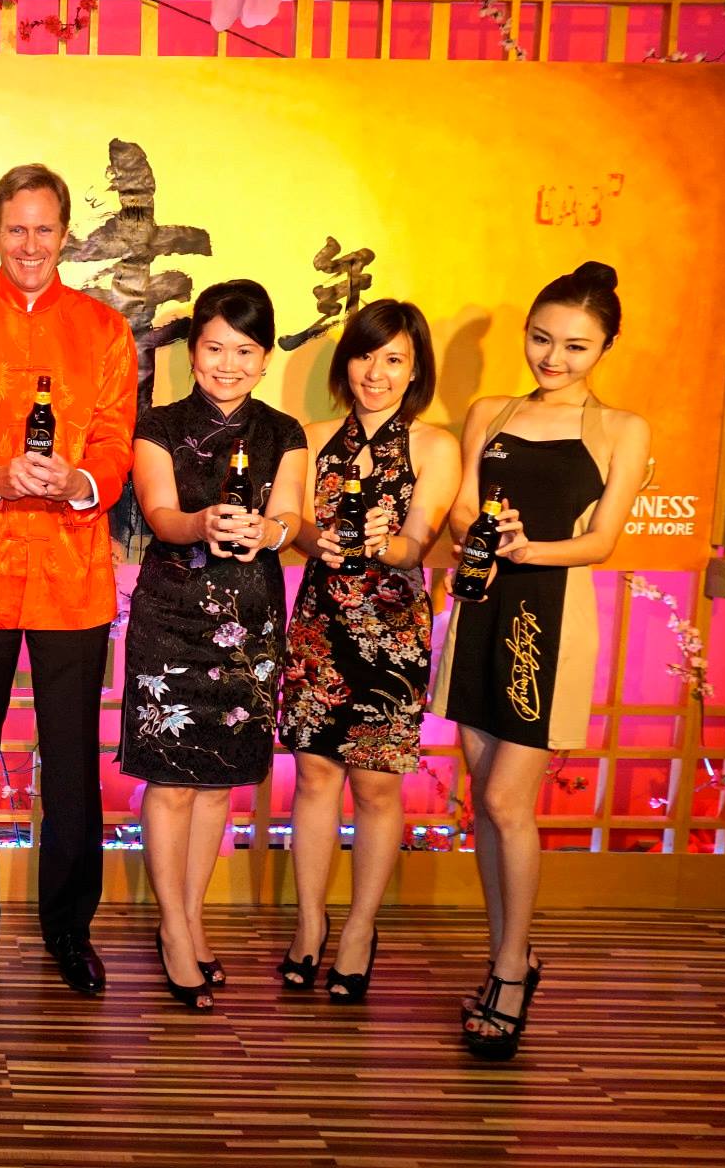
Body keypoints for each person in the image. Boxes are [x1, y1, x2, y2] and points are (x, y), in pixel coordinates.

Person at [0, 163, 135, 996]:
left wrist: (80, 481)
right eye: (16, 228)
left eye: (45, 229)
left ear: (65, 235)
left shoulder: (105, 331)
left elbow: (115, 442)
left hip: (71, 574)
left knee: (73, 765)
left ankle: (68, 930)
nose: (30, 244)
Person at [436, 260, 649, 1060]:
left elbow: (603, 540)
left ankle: (511, 974)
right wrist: (474, 538)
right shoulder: (490, 411)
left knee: (506, 800)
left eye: (575, 346)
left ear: (606, 348)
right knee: (484, 803)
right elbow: (463, 504)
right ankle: (509, 954)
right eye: (541, 339)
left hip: (547, 621)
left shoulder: (621, 428)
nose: (553, 358)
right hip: (479, 612)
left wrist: (529, 549)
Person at [121, 278, 306, 1013]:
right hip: (171, 619)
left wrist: (272, 531)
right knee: (170, 784)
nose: (228, 365)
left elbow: (291, 517)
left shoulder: (285, 432)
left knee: (215, 785)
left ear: (265, 358)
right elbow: (160, 515)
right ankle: (174, 929)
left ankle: (193, 919)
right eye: (214, 349)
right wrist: (202, 524)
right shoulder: (158, 425)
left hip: (248, 627)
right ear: (192, 351)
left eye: (245, 351)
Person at [277, 300, 459, 1002]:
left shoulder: (435, 445)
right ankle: (310, 924)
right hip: (319, 625)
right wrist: (308, 536)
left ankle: (359, 930)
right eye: (364, 355)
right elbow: (292, 523)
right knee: (314, 777)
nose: (375, 373)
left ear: (415, 370)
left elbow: (418, 543)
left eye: (393, 359)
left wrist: (390, 543)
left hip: (392, 630)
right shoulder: (311, 437)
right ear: (345, 361)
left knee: (377, 786)